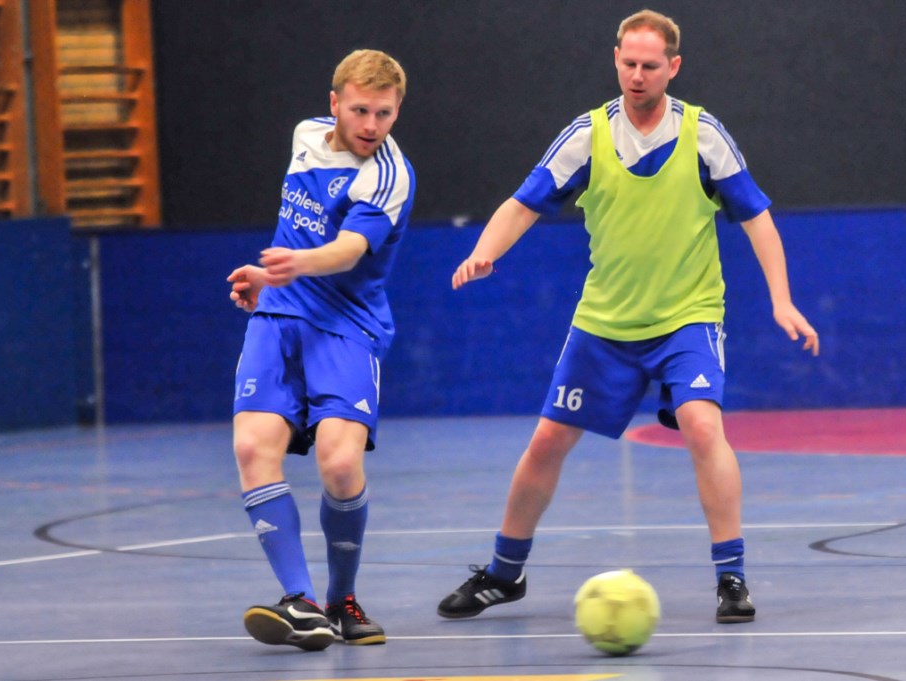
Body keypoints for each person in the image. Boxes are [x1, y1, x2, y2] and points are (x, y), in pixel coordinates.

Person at [437, 9, 819, 624]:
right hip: (605, 322)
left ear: (674, 66)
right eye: (629, 63)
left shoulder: (703, 135)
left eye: (650, 65)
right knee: (547, 440)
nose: (638, 75)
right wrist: (486, 251)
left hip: (688, 316)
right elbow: (522, 204)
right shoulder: (587, 136)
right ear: (616, 60)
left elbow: (757, 218)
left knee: (702, 426)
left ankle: (731, 578)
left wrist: (781, 298)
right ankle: (505, 574)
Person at [227, 48, 414, 651]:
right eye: (360, 110)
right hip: (279, 315)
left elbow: (348, 250)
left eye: (384, 114)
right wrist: (268, 281)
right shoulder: (305, 135)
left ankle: (342, 599)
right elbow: (295, 228)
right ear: (335, 104)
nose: (371, 125)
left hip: (347, 326)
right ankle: (301, 602)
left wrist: (289, 268)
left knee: (338, 463)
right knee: (252, 446)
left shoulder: (388, 175)